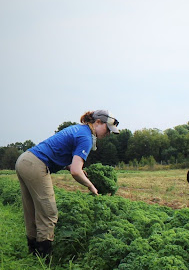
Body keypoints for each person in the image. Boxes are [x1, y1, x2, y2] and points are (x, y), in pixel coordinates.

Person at [15, 110, 120, 259]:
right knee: (49, 213)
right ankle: (43, 258)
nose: (108, 134)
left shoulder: (78, 129)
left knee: (31, 210)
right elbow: (76, 172)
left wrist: (70, 166)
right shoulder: (86, 138)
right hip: (36, 165)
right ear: (97, 122)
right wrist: (90, 186)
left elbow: (61, 154)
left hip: (25, 160)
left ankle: (33, 253)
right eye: (107, 129)